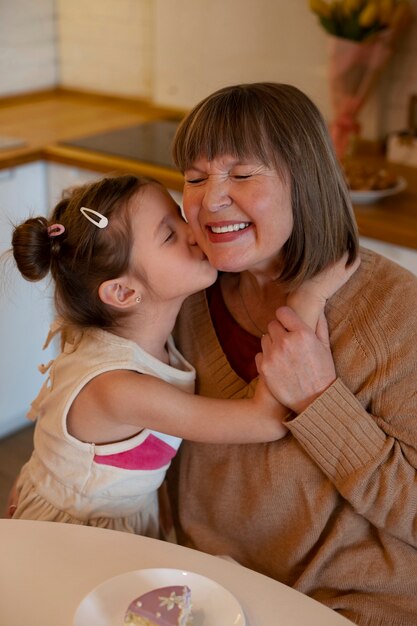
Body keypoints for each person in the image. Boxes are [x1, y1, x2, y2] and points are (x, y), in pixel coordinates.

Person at [165, 82, 417, 626]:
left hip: (350, 606)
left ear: (305, 180)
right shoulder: (181, 296)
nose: (210, 200)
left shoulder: (396, 310)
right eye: (195, 177)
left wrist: (319, 400)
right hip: (207, 588)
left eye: (242, 174)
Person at [6, 173, 351, 536]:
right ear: (123, 293)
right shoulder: (121, 389)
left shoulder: (125, 335)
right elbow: (264, 421)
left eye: (179, 217)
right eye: (169, 235)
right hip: (80, 542)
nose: (194, 232)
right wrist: (309, 296)